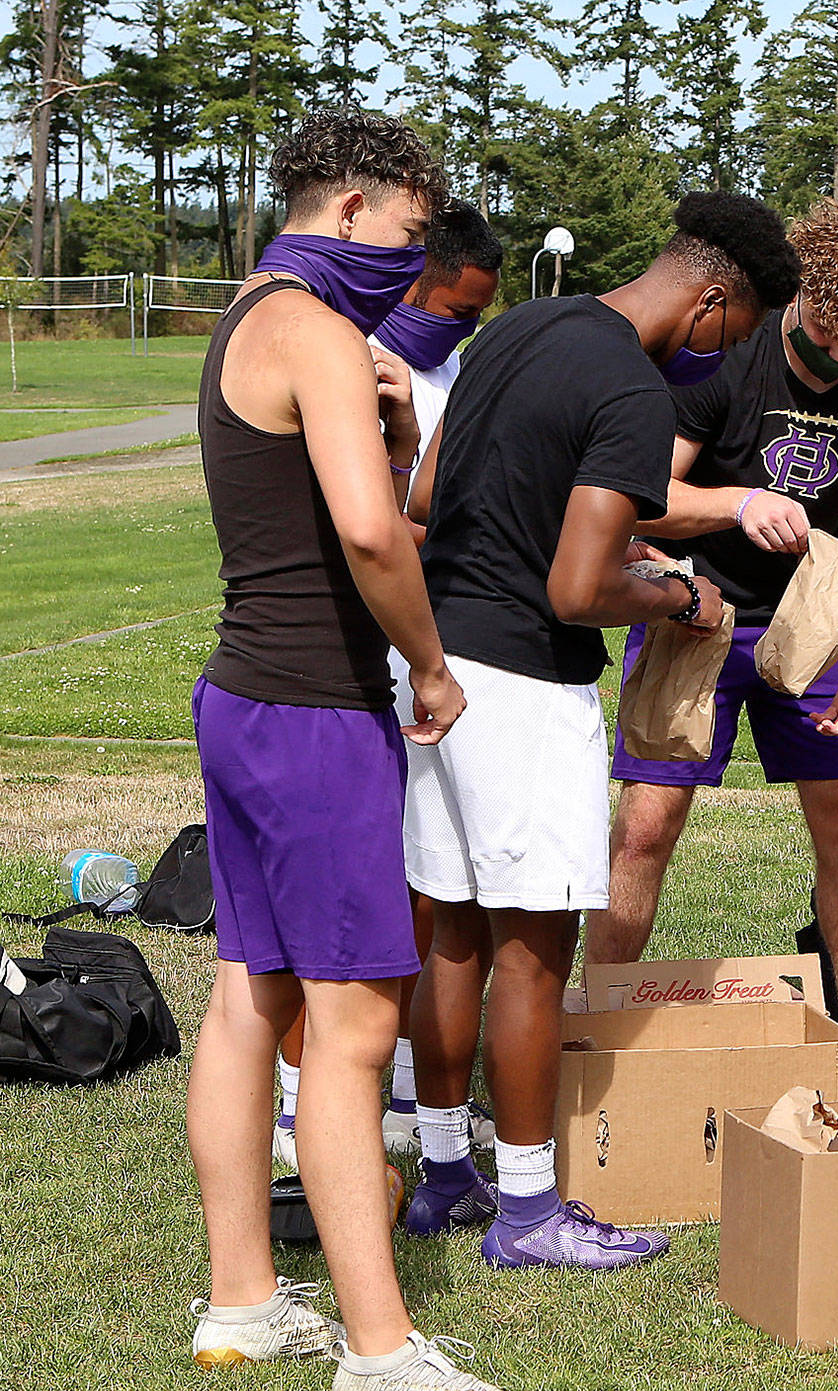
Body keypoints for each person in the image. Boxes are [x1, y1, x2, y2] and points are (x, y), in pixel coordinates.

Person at [185, 107, 540, 1391]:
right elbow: (372, 539)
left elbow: (340, 489)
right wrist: (435, 668)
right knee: (352, 1032)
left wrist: (388, 427)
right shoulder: (323, 332)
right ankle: (383, 1355)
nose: (412, 254)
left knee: (247, 997)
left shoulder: (248, 313)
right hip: (317, 717)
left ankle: (241, 1300)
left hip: (241, 700)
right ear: (359, 204)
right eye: (407, 228)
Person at [398, 193, 803, 1268]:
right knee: (533, 954)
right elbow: (579, 588)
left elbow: (428, 495)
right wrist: (679, 597)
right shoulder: (628, 386)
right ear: (713, 299)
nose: (725, 354)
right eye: (740, 330)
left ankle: (446, 1175)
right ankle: (529, 1212)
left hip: (437, 659)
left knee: (452, 930)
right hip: (526, 686)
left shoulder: (524, 325)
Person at [584, 200, 838, 1101]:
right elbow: (639, 494)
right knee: (646, 828)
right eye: (826, 334)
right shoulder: (724, 352)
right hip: (690, 604)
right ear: (799, 293)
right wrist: (739, 501)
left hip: (815, 619)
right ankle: (595, 1020)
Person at [271, 197, 506, 1173]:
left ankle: (408, 1086)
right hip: (362, 664)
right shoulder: (347, 353)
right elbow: (367, 530)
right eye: (453, 308)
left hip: (427, 652)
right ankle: (300, 1119)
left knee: (432, 885)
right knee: (359, 898)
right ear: (411, 278)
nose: (461, 328)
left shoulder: (442, 365)